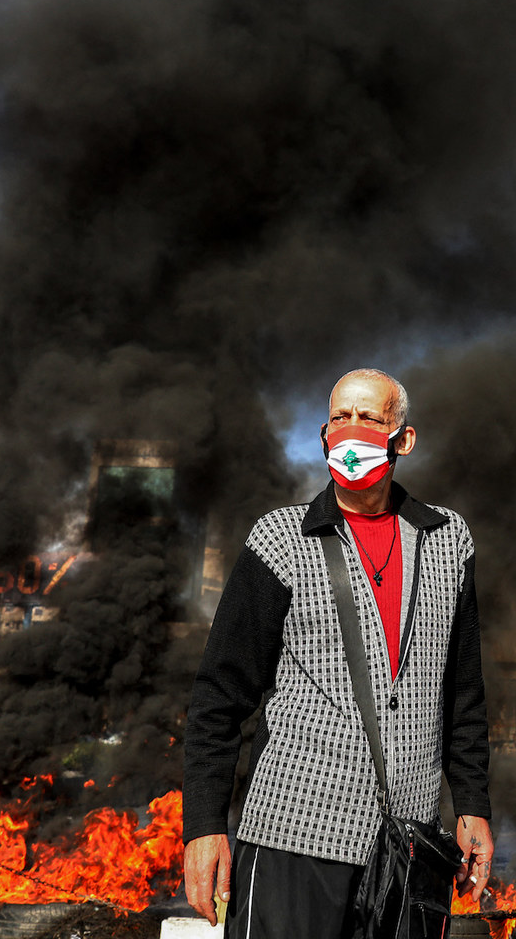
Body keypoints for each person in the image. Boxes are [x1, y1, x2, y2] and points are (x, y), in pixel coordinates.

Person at [183, 368, 493, 938]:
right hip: (293, 835)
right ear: (324, 435)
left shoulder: (450, 539)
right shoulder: (279, 539)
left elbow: (463, 694)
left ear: (404, 439)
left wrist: (472, 804)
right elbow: (219, 697)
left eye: (370, 418)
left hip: (409, 842)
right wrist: (203, 826)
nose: (352, 431)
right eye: (340, 418)